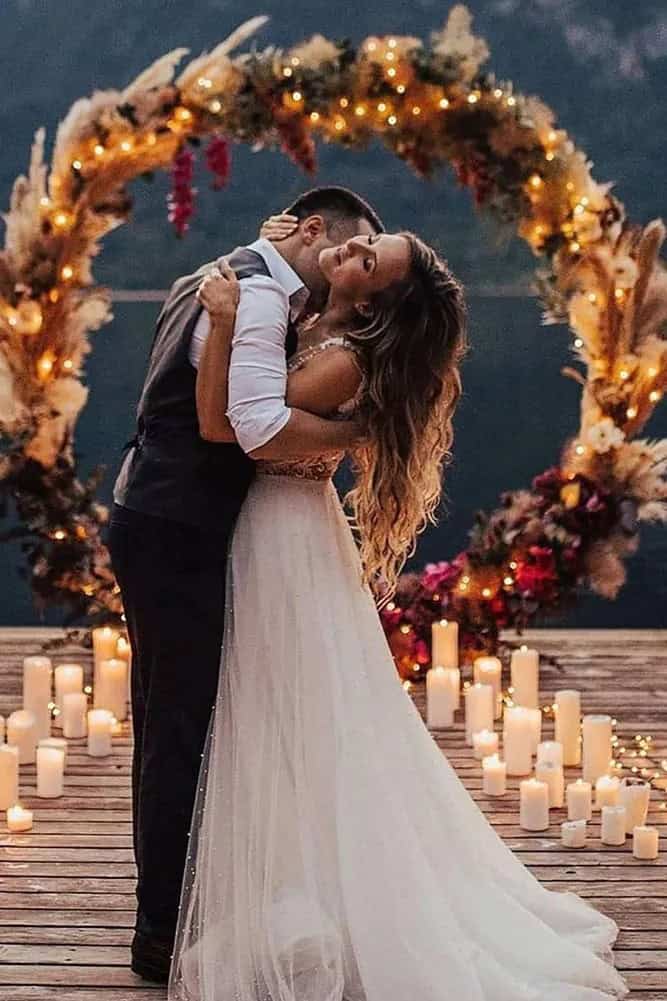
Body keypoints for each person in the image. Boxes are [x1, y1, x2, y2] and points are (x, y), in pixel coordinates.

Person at [168, 221, 628, 1001]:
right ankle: (302, 886)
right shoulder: (314, 324)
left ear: (379, 297)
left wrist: (225, 323)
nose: (350, 248)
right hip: (282, 528)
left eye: (367, 257)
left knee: (307, 716)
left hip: (285, 538)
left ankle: (342, 897)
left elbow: (235, 430)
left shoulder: (343, 359)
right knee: (296, 715)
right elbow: (236, 417)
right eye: (359, 243)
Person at [108, 186, 384, 984]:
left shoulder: (233, 275)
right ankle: (161, 929)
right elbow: (231, 426)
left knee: (172, 723)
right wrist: (360, 429)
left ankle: (175, 911)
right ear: (314, 230)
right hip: (179, 524)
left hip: (158, 513)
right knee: (177, 732)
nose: (340, 274)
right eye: (342, 252)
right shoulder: (252, 295)